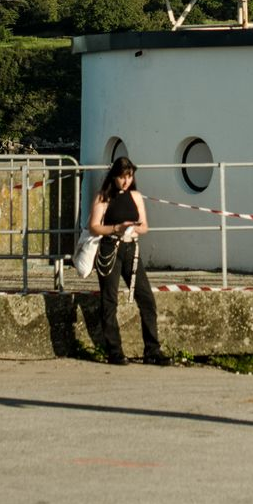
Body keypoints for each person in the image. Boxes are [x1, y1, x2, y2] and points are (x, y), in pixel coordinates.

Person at [89, 156, 171, 367]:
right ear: (114, 177)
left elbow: (145, 226)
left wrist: (133, 228)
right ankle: (114, 351)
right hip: (110, 248)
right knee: (109, 300)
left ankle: (152, 350)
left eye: (129, 176)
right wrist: (117, 228)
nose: (126, 181)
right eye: (122, 176)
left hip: (131, 248)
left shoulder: (135, 196)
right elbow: (94, 227)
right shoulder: (103, 197)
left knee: (146, 299)